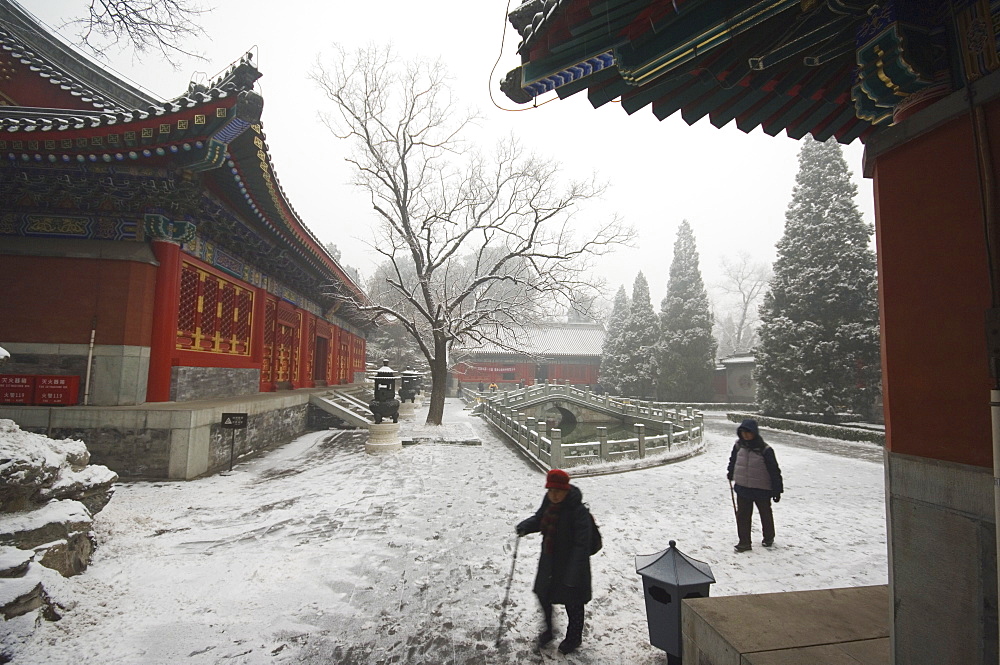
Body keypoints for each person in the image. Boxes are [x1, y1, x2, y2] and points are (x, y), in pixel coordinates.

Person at [515, 469, 592, 655]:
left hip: (572, 564)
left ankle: (573, 638)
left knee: (573, 603)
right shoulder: (548, 501)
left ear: (566, 490)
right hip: (550, 560)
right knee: (543, 593)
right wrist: (526, 526)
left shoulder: (578, 511)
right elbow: (540, 518)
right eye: (550, 490)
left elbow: (582, 545)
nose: (554, 495)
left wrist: (573, 573)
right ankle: (549, 630)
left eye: (558, 491)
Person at [726, 418, 783, 552]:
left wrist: (777, 490)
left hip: (761, 489)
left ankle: (768, 537)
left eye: (748, 432)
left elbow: (774, 470)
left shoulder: (765, 449)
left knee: (765, 514)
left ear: (754, 433)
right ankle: (744, 542)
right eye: (743, 432)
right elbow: (733, 460)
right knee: (743, 516)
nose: (745, 435)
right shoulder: (738, 446)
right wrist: (730, 472)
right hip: (743, 487)